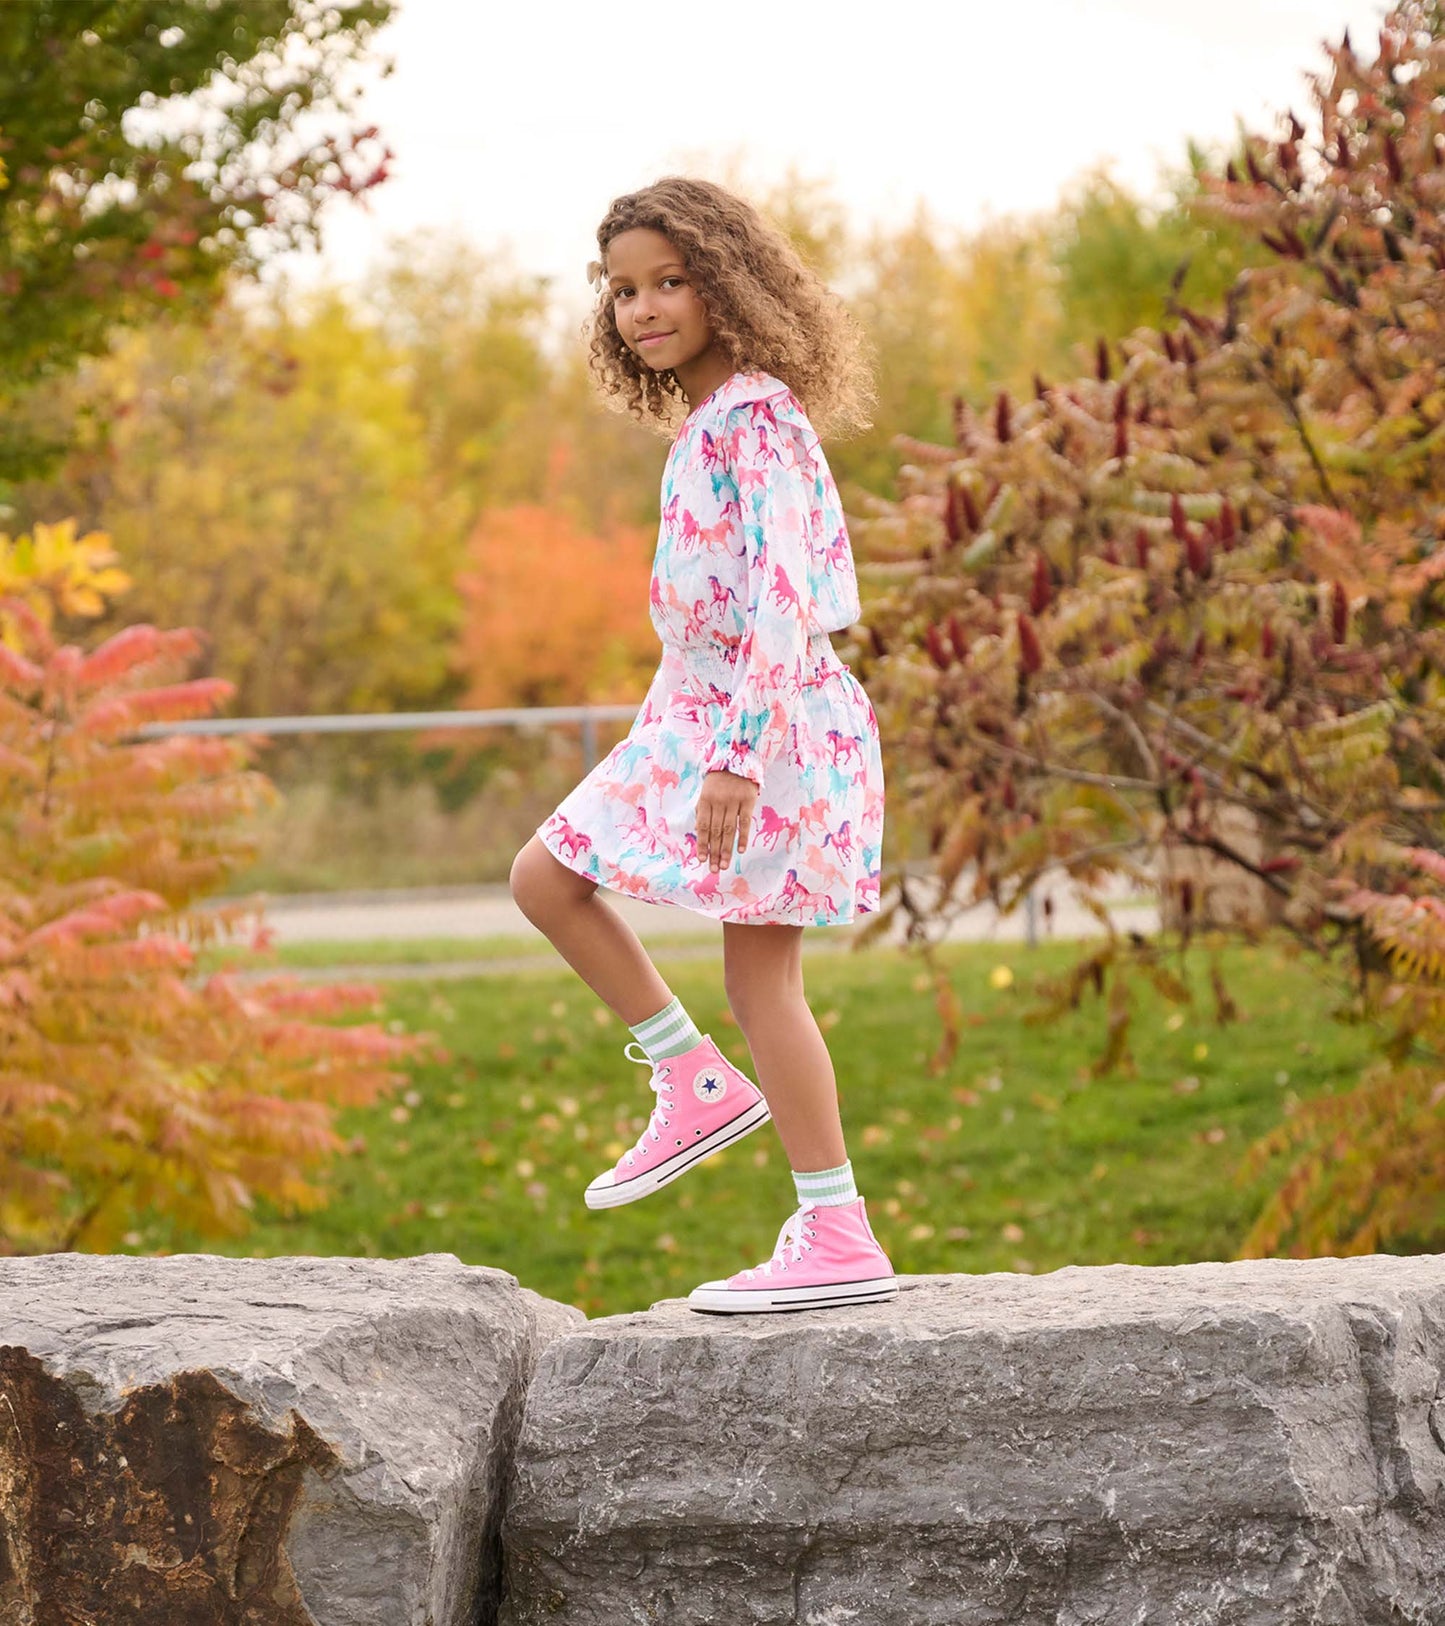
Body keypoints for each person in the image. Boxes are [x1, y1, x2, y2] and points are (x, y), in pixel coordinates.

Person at [509, 175, 894, 1314]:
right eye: (623, 288)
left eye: (670, 280)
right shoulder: (711, 423)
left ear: (726, 283)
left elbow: (782, 598)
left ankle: (829, 1223)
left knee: (750, 974)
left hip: (765, 726)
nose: (643, 306)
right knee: (556, 882)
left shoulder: (759, 419)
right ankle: (696, 1081)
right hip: (709, 715)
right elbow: (703, 621)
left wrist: (734, 754)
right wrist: (667, 739)